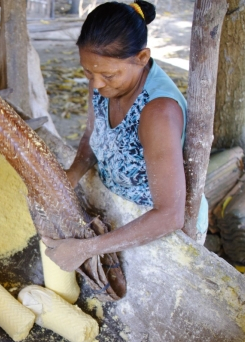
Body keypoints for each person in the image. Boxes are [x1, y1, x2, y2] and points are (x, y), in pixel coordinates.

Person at [42, 1, 208, 273]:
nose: (95, 83)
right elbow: (94, 134)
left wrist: (86, 249)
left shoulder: (157, 113)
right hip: (120, 213)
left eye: (108, 74)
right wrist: (72, 174)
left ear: (142, 58)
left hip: (157, 229)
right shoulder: (102, 82)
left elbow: (169, 215)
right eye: (87, 71)